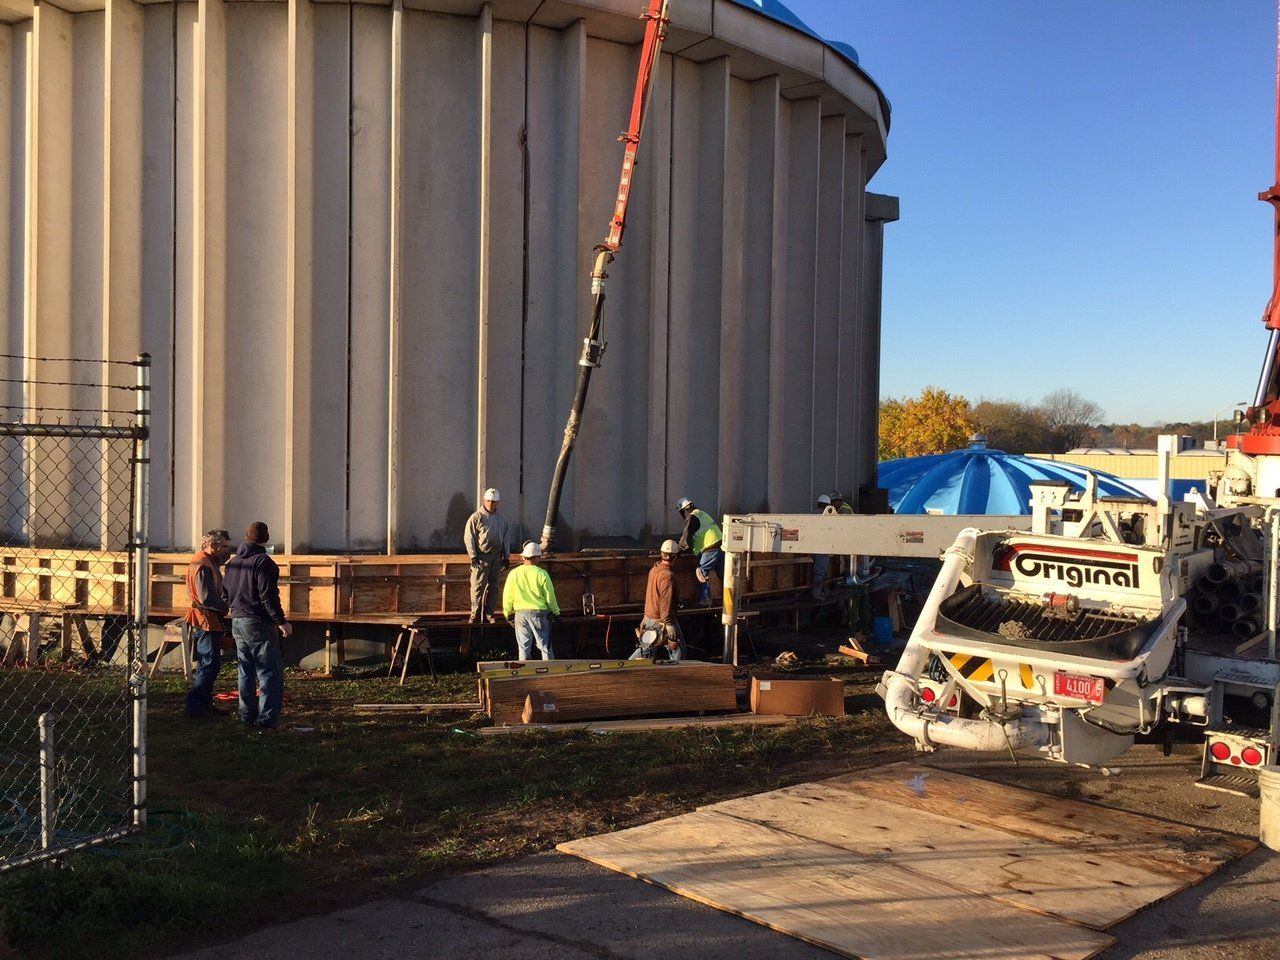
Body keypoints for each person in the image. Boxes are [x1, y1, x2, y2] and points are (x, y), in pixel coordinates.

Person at [222, 521, 293, 731]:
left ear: (246, 536)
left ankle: (246, 716)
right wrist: (281, 621)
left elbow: (225, 594)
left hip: (237, 620)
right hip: (259, 623)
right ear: (266, 539)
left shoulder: (232, 563)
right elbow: (268, 597)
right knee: (269, 672)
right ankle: (267, 721)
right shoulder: (264, 563)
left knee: (245, 670)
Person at [183, 529, 232, 719]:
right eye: (225, 546)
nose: (228, 551)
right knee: (208, 663)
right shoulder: (203, 565)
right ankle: (196, 707)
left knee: (211, 663)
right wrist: (226, 607)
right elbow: (206, 597)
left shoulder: (207, 562)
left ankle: (203, 703)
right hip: (205, 619)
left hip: (208, 618)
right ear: (213, 545)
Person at [501, 541, 559, 660]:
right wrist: (556, 612)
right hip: (539, 614)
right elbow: (550, 596)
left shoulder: (513, 573)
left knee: (523, 647)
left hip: (520, 614)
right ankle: (549, 676)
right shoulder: (542, 574)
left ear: (524, 557)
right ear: (536, 558)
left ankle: (524, 675)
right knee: (545, 647)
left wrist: (507, 613)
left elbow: (507, 595)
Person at [631, 539, 684, 661]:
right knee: (675, 649)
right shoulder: (667, 575)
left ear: (662, 554)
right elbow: (665, 601)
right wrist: (669, 624)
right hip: (661, 621)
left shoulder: (654, 570)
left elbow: (651, 595)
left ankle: (626, 668)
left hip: (650, 618)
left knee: (646, 649)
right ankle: (678, 676)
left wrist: (645, 616)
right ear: (675, 556)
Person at [464, 487, 510, 623]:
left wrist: (506, 557)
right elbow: (469, 537)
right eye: (488, 501)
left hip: (496, 556)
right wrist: (473, 556)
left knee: (494, 586)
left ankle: (489, 613)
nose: (491, 503)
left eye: (494, 501)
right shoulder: (476, 517)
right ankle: (475, 613)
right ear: (484, 500)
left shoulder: (502, 519)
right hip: (481, 556)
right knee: (477, 586)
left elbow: (506, 538)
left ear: (498, 502)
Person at [676, 497, 724, 605]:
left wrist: (677, 551)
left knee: (701, 573)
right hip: (720, 546)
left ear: (683, 510)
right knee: (724, 575)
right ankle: (730, 599)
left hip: (710, 548)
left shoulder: (691, 517)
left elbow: (685, 539)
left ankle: (706, 599)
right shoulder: (702, 514)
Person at [811, 495, 835, 600]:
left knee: (818, 571)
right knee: (820, 572)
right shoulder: (829, 517)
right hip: (823, 547)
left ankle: (821, 591)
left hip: (812, 547)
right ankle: (816, 594)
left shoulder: (812, 514)